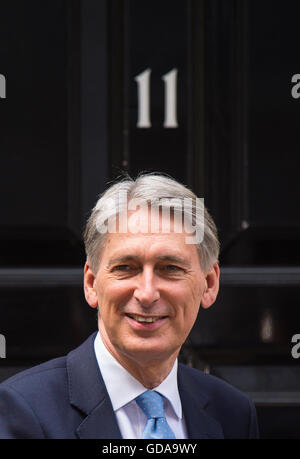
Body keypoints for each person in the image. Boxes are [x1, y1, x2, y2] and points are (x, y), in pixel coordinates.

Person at [0, 173, 259, 439]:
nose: (147, 293)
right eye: (125, 268)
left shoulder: (233, 415)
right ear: (91, 284)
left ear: (209, 283)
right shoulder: (25, 411)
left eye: (170, 268)